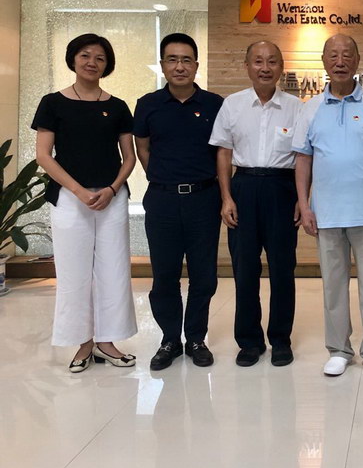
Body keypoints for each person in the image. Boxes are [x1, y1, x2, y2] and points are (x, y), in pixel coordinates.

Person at [293, 34, 363, 378]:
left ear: (357, 60)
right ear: (324, 61)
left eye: (347, 55)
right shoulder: (310, 108)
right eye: (333, 55)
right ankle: (339, 350)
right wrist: (304, 205)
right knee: (333, 286)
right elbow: (303, 160)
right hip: (327, 214)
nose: (340, 61)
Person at [33, 33, 137, 372]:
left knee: (114, 269)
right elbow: (44, 155)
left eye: (100, 58)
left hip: (111, 198)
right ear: (73, 59)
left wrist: (112, 189)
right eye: (85, 55)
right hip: (69, 198)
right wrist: (79, 191)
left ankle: (108, 341)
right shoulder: (53, 103)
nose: (92, 62)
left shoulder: (118, 106)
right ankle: (83, 343)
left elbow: (129, 157)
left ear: (107, 65)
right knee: (73, 271)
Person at [209, 40, 303, 367]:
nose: (265, 68)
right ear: (247, 66)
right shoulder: (232, 105)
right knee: (245, 269)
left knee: (282, 269)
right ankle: (249, 342)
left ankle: (280, 339)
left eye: (272, 61)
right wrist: (226, 197)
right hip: (244, 187)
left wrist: (302, 198)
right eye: (258, 61)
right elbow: (223, 153)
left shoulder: (297, 107)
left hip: (282, 189)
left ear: (281, 67)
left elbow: (305, 157)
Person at [133, 33, 224, 370]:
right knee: (165, 275)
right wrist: (162, 178)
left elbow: (222, 152)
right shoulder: (148, 104)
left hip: (204, 198)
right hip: (163, 200)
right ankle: (170, 339)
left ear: (196, 65)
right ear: (163, 65)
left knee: (204, 275)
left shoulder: (214, 104)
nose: (180, 66)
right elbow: (142, 147)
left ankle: (196, 338)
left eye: (186, 60)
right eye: (172, 60)